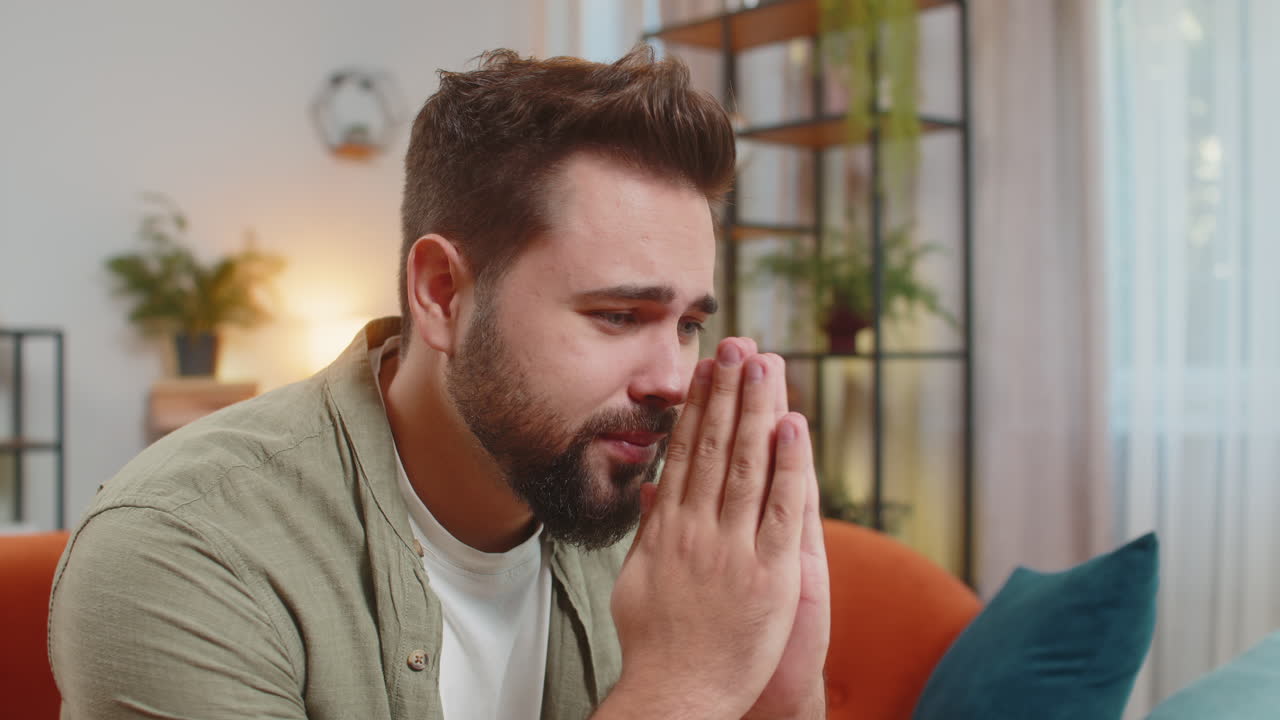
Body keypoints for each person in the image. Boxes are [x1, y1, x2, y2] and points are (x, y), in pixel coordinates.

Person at [49, 46, 830, 720]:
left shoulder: (657, 539)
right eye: (619, 316)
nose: (673, 381)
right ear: (442, 294)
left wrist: (777, 697)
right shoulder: (184, 548)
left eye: (688, 325)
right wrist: (684, 685)